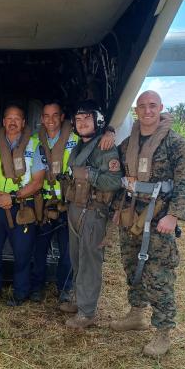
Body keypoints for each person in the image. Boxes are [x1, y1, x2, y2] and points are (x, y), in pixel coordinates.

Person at [110, 90, 185, 357]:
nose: (147, 111)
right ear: (136, 111)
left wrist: (174, 216)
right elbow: (120, 178)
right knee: (132, 266)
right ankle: (136, 314)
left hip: (160, 217)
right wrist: (117, 208)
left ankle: (163, 333)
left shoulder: (176, 144)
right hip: (132, 215)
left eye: (152, 106)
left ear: (160, 108)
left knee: (159, 275)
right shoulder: (128, 144)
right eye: (142, 107)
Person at [30, 100, 116, 305]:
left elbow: (96, 137)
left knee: (69, 252)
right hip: (44, 202)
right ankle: (37, 288)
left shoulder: (76, 138)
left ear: (62, 118)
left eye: (55, 115)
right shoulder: (34, 140)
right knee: (39, 248)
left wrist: (109, 131)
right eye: (46, 116)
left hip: (69, 204)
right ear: (42, 119)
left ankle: (66, 290)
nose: (51, 120)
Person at [61, 101, 122, 331]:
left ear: (97, 121)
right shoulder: (80, 145)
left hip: (94, 212)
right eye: (78, 119)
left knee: (90, 262)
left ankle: (87, 312)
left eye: (87, 118)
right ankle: (79, 300)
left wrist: (89, 173)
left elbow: (114, 181)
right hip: (76, 208)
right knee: (77, 257)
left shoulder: (105, 147)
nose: (82, 123)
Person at [0, 104, 46, 306]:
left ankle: (20, 293)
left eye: (17, 118)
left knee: (23, 253)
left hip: (22, 207)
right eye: (9, 118)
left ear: (24, 122)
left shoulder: (34, 145)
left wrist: (14, 196)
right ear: (3, 122)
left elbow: (37, 182)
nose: (12, 122)